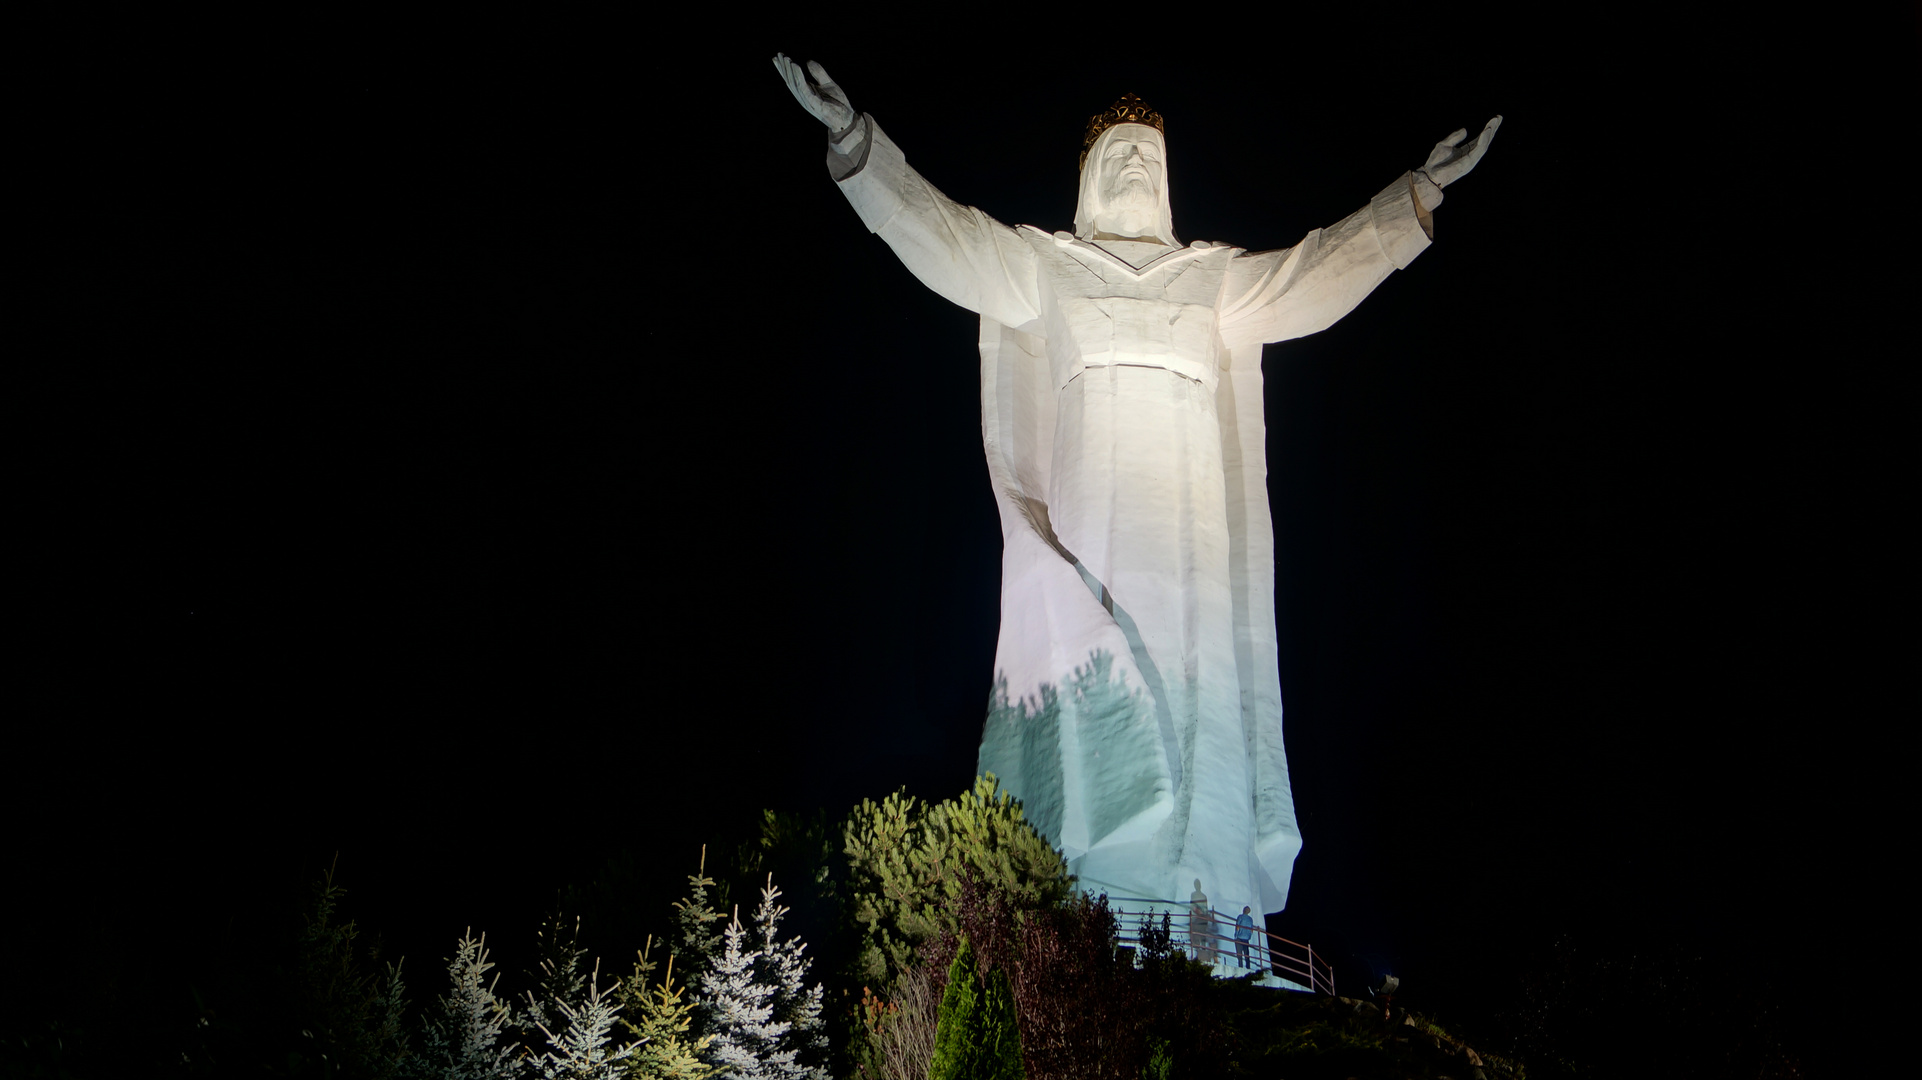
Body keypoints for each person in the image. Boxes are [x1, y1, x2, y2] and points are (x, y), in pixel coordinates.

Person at [774, 56, 1497, 931]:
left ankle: (1217, 925)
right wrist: (860, 146)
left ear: (1166, 180)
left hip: (1193, 556)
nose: (1133, 166)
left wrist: (1412, 198)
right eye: (1117, 153)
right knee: (1103, 709)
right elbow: (945, 239)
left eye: (1147, 158)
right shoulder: (1050, 266)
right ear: (1086, 178)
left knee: (1199, 722)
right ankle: (1085, 915)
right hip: (1095, 538)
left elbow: (1314, 277)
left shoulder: (1214, 279)